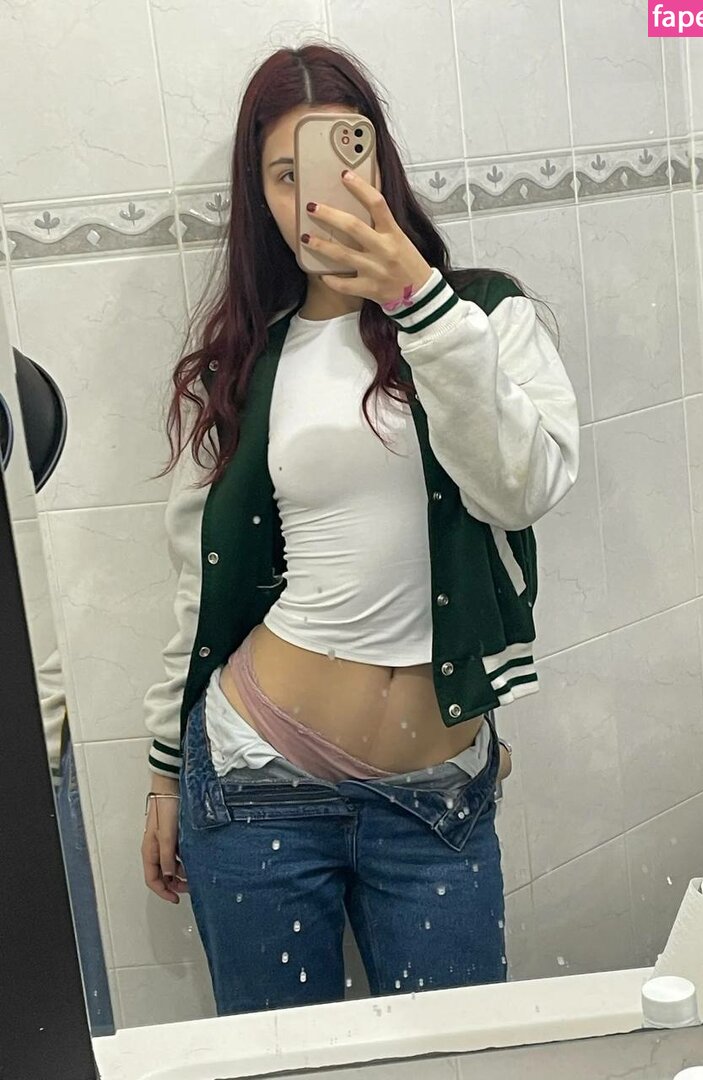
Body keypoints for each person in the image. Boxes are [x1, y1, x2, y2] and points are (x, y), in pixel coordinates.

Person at [140, 41, 580, 1017]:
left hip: (436, 798)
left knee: (458, 1059)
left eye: (337, 161)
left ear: (376, 163)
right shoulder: (250, 361)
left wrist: (418, 302)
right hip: (256, 776)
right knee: (281, 1068)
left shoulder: (481, 315)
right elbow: (199, 585)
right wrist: (164, 773)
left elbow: (524, 486)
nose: (312, 198)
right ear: (257, 195)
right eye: (282, 176)